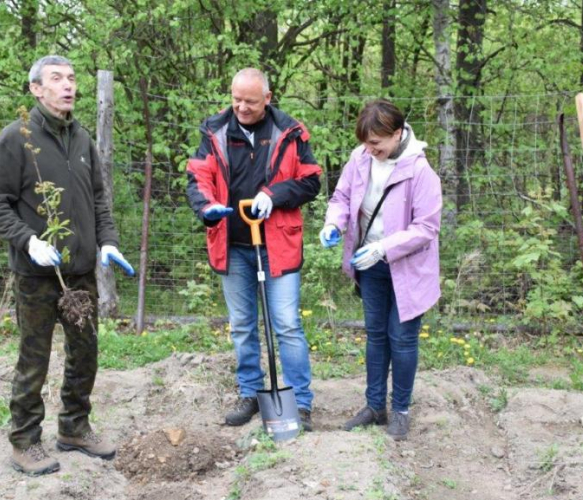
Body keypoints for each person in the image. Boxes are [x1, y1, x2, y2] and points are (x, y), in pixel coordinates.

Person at [0, 55, 135, 475]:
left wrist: (108, 242)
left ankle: (74, 428)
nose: (68, 85)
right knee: (35, 358)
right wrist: (27, 240)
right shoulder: (17, 138)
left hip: (80, 271)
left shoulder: (82, 138)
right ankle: (25, 442)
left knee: (85, 353)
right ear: (36, 89)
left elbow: (99, 198)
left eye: (71, 78)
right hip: (36, 275)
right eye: (56, 79)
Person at [186, 68, 321, 431]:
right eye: (236, 99)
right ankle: (250, 392)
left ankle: (300, 402)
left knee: (288, 325)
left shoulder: (289, 133)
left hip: (277, 243)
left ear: (267, 98)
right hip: (232, 245)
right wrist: (206, 208)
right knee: (243, 326)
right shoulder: (214, 131)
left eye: (250, 100)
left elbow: (311, 182)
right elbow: (197, 177)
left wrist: (273, 196)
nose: (241, 107)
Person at [321, 99, 442, 440]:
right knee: (375, 335)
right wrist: (334, 224)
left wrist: (383, 247)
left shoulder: (420, 171)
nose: (369, 149)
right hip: (369, 265)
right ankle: (375, 406)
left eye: (376, 143)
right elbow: (341, 198)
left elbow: (427, 228)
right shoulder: (360, 160)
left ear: (397, 134)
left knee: (401, 340)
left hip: (407, 269)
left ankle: (400, 410)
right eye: (365, 142)